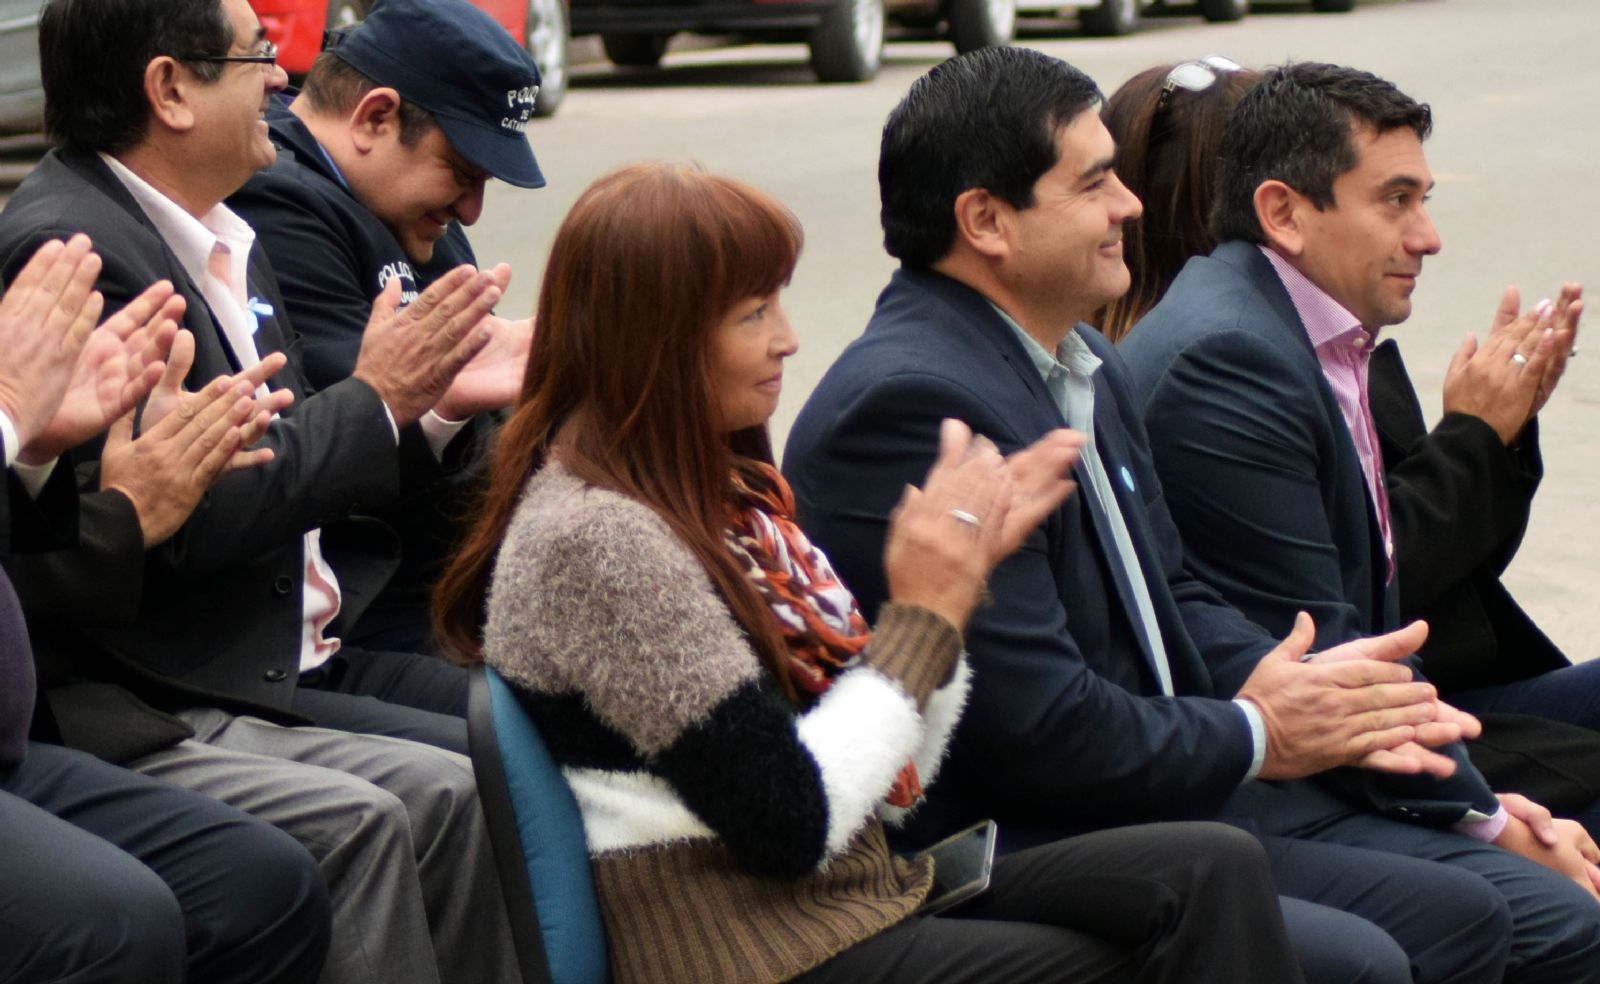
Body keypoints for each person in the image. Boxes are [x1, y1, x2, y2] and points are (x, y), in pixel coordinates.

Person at [784, 45, 1600, 983]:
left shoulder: (1078, 358)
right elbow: (1038, 729)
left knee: (1479, 909)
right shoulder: (919, 405)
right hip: (1025, 837)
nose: (1128, 206)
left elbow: (1175, 593)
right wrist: (1260, 730)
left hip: (1161, 786)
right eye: (1093, 184)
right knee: (1424, 940)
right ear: (986, 222)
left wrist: (1293, 685)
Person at [433, 161, 1309, 984]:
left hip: (846, 900)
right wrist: (923, 617)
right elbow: (792, 821)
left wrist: (952, 602)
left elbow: (890, 793)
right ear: (654, 344)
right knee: (1175, 941)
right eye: (752, 314)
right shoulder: (598, 539)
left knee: (1209, 868)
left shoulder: (723, 504)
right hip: (758, 952)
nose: (788, 340)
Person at [0, 1, 525, 981]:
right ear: (171, 91)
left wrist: (421, 409)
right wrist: (381, 401)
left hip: (300, 639)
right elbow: (176, 521)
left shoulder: (217, 223)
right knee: (414, 802)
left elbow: (275, 463)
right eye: (258, 55)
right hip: (192, 674)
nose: (284, 80)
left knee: (508, 755)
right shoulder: (76, 252)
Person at [1099, 57, 1600, 822]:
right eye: (1393, 199)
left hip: (1403, 697)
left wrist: (1495, 433)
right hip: (1338, 750)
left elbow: (1424, 583)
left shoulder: (1320, 334)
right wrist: (1494, 823)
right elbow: (1348, 631)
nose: (1427, 238)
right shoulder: (1231, 362)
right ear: (1276, 208)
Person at [0, 234, 332, 984]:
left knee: (265, 884)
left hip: (18, 747)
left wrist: (33, 453)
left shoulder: (243, 236)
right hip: (131, 687)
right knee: (116, 922)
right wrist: (14, 420)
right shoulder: (66, 226)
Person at [228, 0, 543, 653]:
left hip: (454, 591)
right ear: (375, 117)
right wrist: (456, 412)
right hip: (371, 611)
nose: (471, 210)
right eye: (463, 173)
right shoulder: (276, 202)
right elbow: (364, 456)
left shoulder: (409, 210)